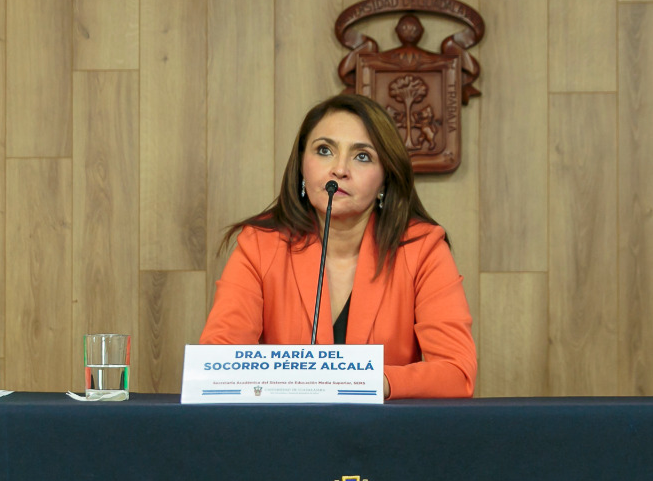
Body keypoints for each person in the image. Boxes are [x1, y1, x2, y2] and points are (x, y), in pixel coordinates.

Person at [200, 94, 476, 398]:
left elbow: (456, 372)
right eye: (324, 150)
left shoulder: (422, 249)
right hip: (286, 435)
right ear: (301, 167)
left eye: (362, 156)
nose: (340, 169)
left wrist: (366, 383)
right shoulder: (260, 245)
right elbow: (218, 363)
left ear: (385, 179)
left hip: (384, 437)